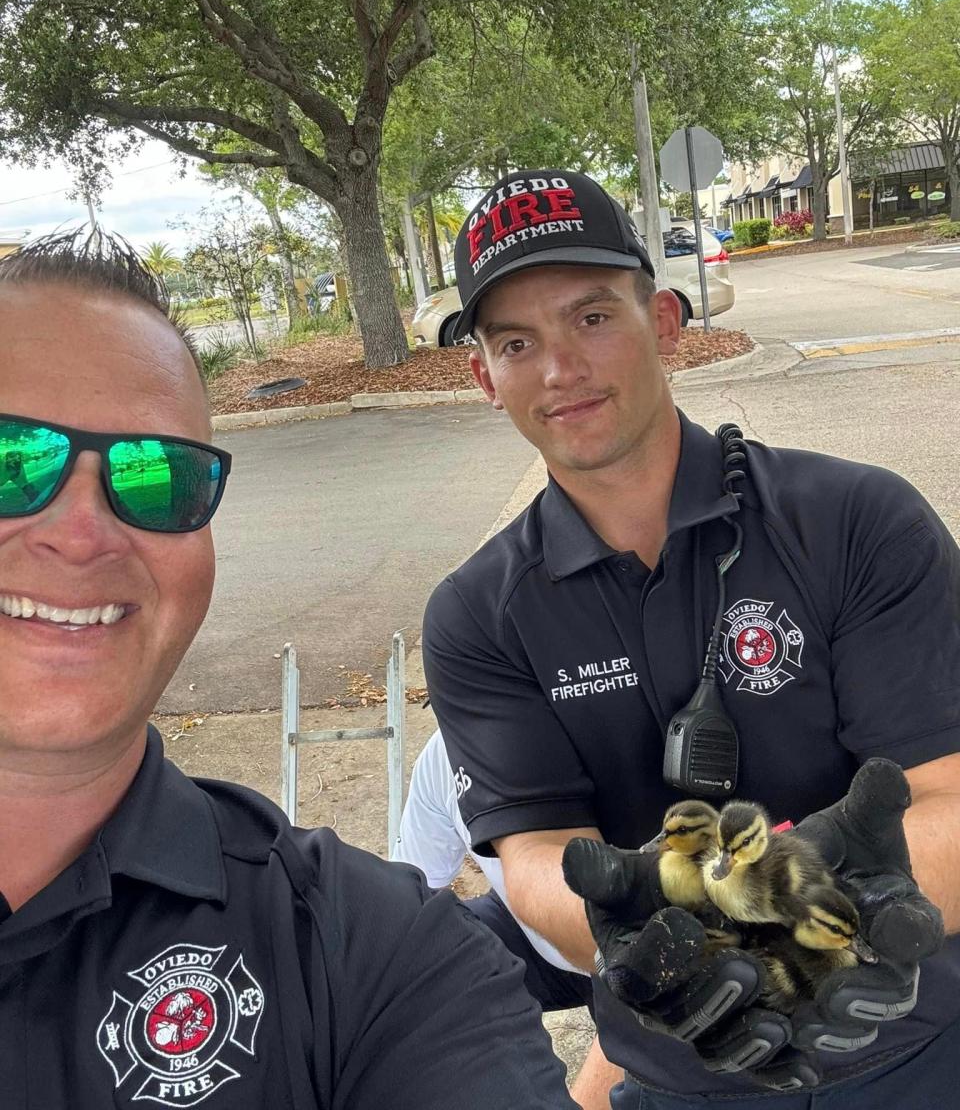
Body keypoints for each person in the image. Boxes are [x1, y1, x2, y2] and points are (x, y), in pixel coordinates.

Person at [0, 229, 578, 1110]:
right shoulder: (484, 609)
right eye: (12, 460)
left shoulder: (366, 953)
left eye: (158, 478)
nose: (82, 532)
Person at [422, 168, 958, 1108]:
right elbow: (541, 858)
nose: (559, 369)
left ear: (665, 323)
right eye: (517, 341)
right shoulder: (477, 616)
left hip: (912, 1046)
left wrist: (786, 949)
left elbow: (947, 796)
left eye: (592, 318)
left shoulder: (858, 521)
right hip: (684, 1066)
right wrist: (684, 960)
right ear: (483, 376)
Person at [394, 730, 623, 1110]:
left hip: (626, 951)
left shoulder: (611, 728)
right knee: (414, 965)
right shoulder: (444, 755)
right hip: (537, 936)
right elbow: (406, 908)